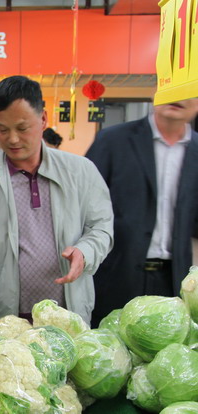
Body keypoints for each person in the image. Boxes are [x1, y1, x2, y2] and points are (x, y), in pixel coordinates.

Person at [0, 76, 114, 324]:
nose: (13, 139)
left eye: (22, 128)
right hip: (4, 315)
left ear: (43, 119)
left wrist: (85, 251)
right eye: (2, 129)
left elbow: (101, 228)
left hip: (67, 313)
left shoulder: (81, 171)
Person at [86, 98, 198, 327]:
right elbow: (83, 206)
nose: (178, 97)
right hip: (116, 277)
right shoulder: (112, 141)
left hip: (173, 282)